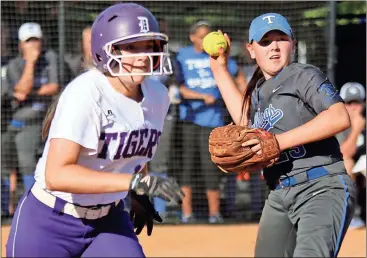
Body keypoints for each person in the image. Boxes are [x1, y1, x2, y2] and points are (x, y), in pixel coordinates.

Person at [6, 3, 183, 257]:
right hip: (49, 220)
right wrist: (132, 181)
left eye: (148, 45)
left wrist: (137, 192)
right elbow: (57, 174)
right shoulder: (86, 93)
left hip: (107, 220)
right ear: (105, 51)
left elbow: (135, 149)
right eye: (131, 47)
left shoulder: (157, 95)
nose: (143, 56)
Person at [209, 13, 356, 257]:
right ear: (251, 50)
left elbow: (339, 116)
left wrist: (278, 142)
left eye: (281, 39)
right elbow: (247, 123)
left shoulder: (303, 74)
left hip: (322, 187)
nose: (274, 46)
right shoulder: (257, 91)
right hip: (279, 193)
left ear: (293, 44)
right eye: (265, 42)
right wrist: (219, 70)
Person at [175, 20, 240, 224]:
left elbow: (237, 78)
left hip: (214, 122)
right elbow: (179, 87)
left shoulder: (217, 55)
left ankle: (214, 214)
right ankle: (186, 213)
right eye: (201, 36)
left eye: (208, 35)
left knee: (212, 168)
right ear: (192, 37)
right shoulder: (182, 56)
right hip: (189, 121)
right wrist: (201, 97)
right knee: (187, 168)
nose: (205, 40)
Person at [1, 22, 60, 214]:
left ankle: (32, 210)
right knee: (4, 161)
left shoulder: (50, 58)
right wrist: (30, 63)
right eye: (28, 42)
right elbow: (21, 91)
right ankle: (4, 210)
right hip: (14, 123)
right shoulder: (14, 65)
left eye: (36, 40)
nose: (33, 45)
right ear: (20, 44)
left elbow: (53, 87)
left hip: (37, 121)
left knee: (27, 162)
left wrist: (29, 91)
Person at [337, 82, 366, 230]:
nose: (353, 107)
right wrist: (356, 130)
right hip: (344, 171)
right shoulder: (339, 124)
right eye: (349, 103)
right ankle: (351, 217)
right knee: (346, 164)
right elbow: (345, 154)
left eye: (357, 102)